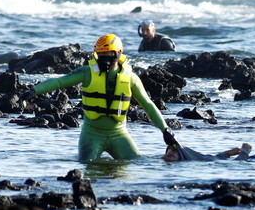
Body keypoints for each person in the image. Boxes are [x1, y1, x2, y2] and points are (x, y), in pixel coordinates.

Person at [31, 33, 178, 162]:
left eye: (108, 54)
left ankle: (171, 157)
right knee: (88, 165)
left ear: (119, 53)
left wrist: (165, 130)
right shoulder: (87, 72)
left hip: (119, 134)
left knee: (139, 163)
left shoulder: (131, 78)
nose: (104, 58)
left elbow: (148, 104)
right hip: (91, 134)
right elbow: (59, 81)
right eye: (100, 55)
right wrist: (34, 90)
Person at [162, 142, 255, 163]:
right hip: (249, 161)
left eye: (171, 155)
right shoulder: (191, 163)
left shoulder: (193, 159)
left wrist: (229, 152)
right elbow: (238, 166)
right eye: (168, 155)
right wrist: (245, 152)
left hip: (250, 160)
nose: (168, 157)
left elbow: (211, 158)